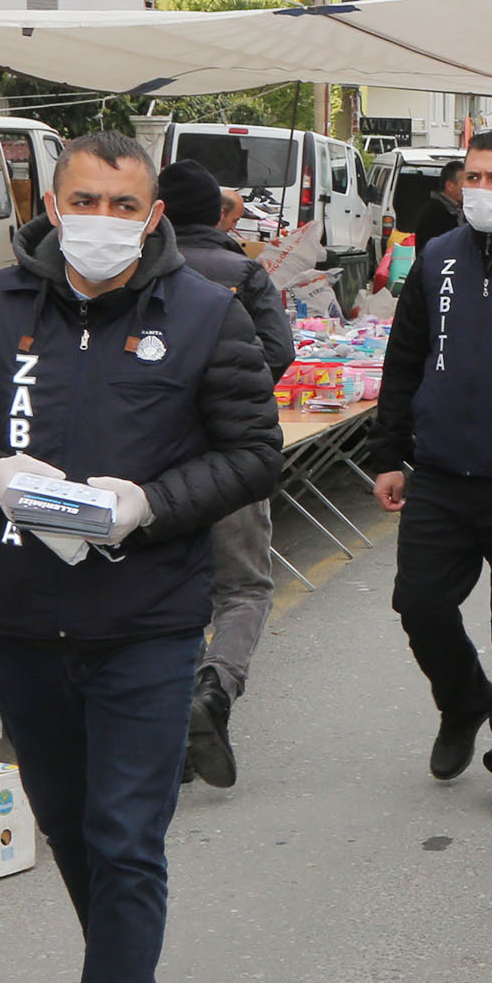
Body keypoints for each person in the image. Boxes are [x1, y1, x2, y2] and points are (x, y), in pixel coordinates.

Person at [0, 131, 282, 983]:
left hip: (148, 622)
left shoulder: (207, 314)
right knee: (72, 833)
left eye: (126, 204)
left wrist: (150, 505)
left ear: (154, 214)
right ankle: (124, 979)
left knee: (127, 841)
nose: (105, 220)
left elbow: (254, 453)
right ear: (52, 201)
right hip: (25, 619)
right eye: (88, 199)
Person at [364, 128, 492, 820]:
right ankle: (463, 699)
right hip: (441, 474)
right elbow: (405, 356)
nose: (480, 191)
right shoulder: (437, 258)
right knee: (417, 603)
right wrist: (389, 452)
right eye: (472, 178)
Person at [157, 161, 295, 791]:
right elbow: (279, 350)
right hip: (231, 454)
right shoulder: (241, 272)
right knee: (242, 588)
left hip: (155, 461)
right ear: (218, 213)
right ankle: (215, 688)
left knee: (168, 592)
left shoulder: (139, 269)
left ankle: (174, 730)